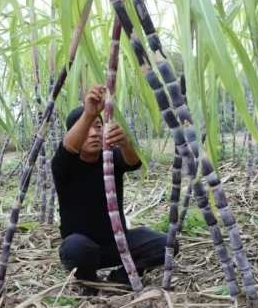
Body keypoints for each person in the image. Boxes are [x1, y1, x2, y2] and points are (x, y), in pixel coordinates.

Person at [52, 84, 178, 293]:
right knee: (76, 248)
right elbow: (68, 147)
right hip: (83, 250)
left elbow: (133, 162)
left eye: (99, 127)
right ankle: (88, 282)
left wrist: (125, 142)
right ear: (76, 131)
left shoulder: (110, 158)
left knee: (168, 245)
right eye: (87, 127)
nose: (94, 133)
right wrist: (90, 113)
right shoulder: (64, 165)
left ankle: (120, 277)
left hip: (117, 244)